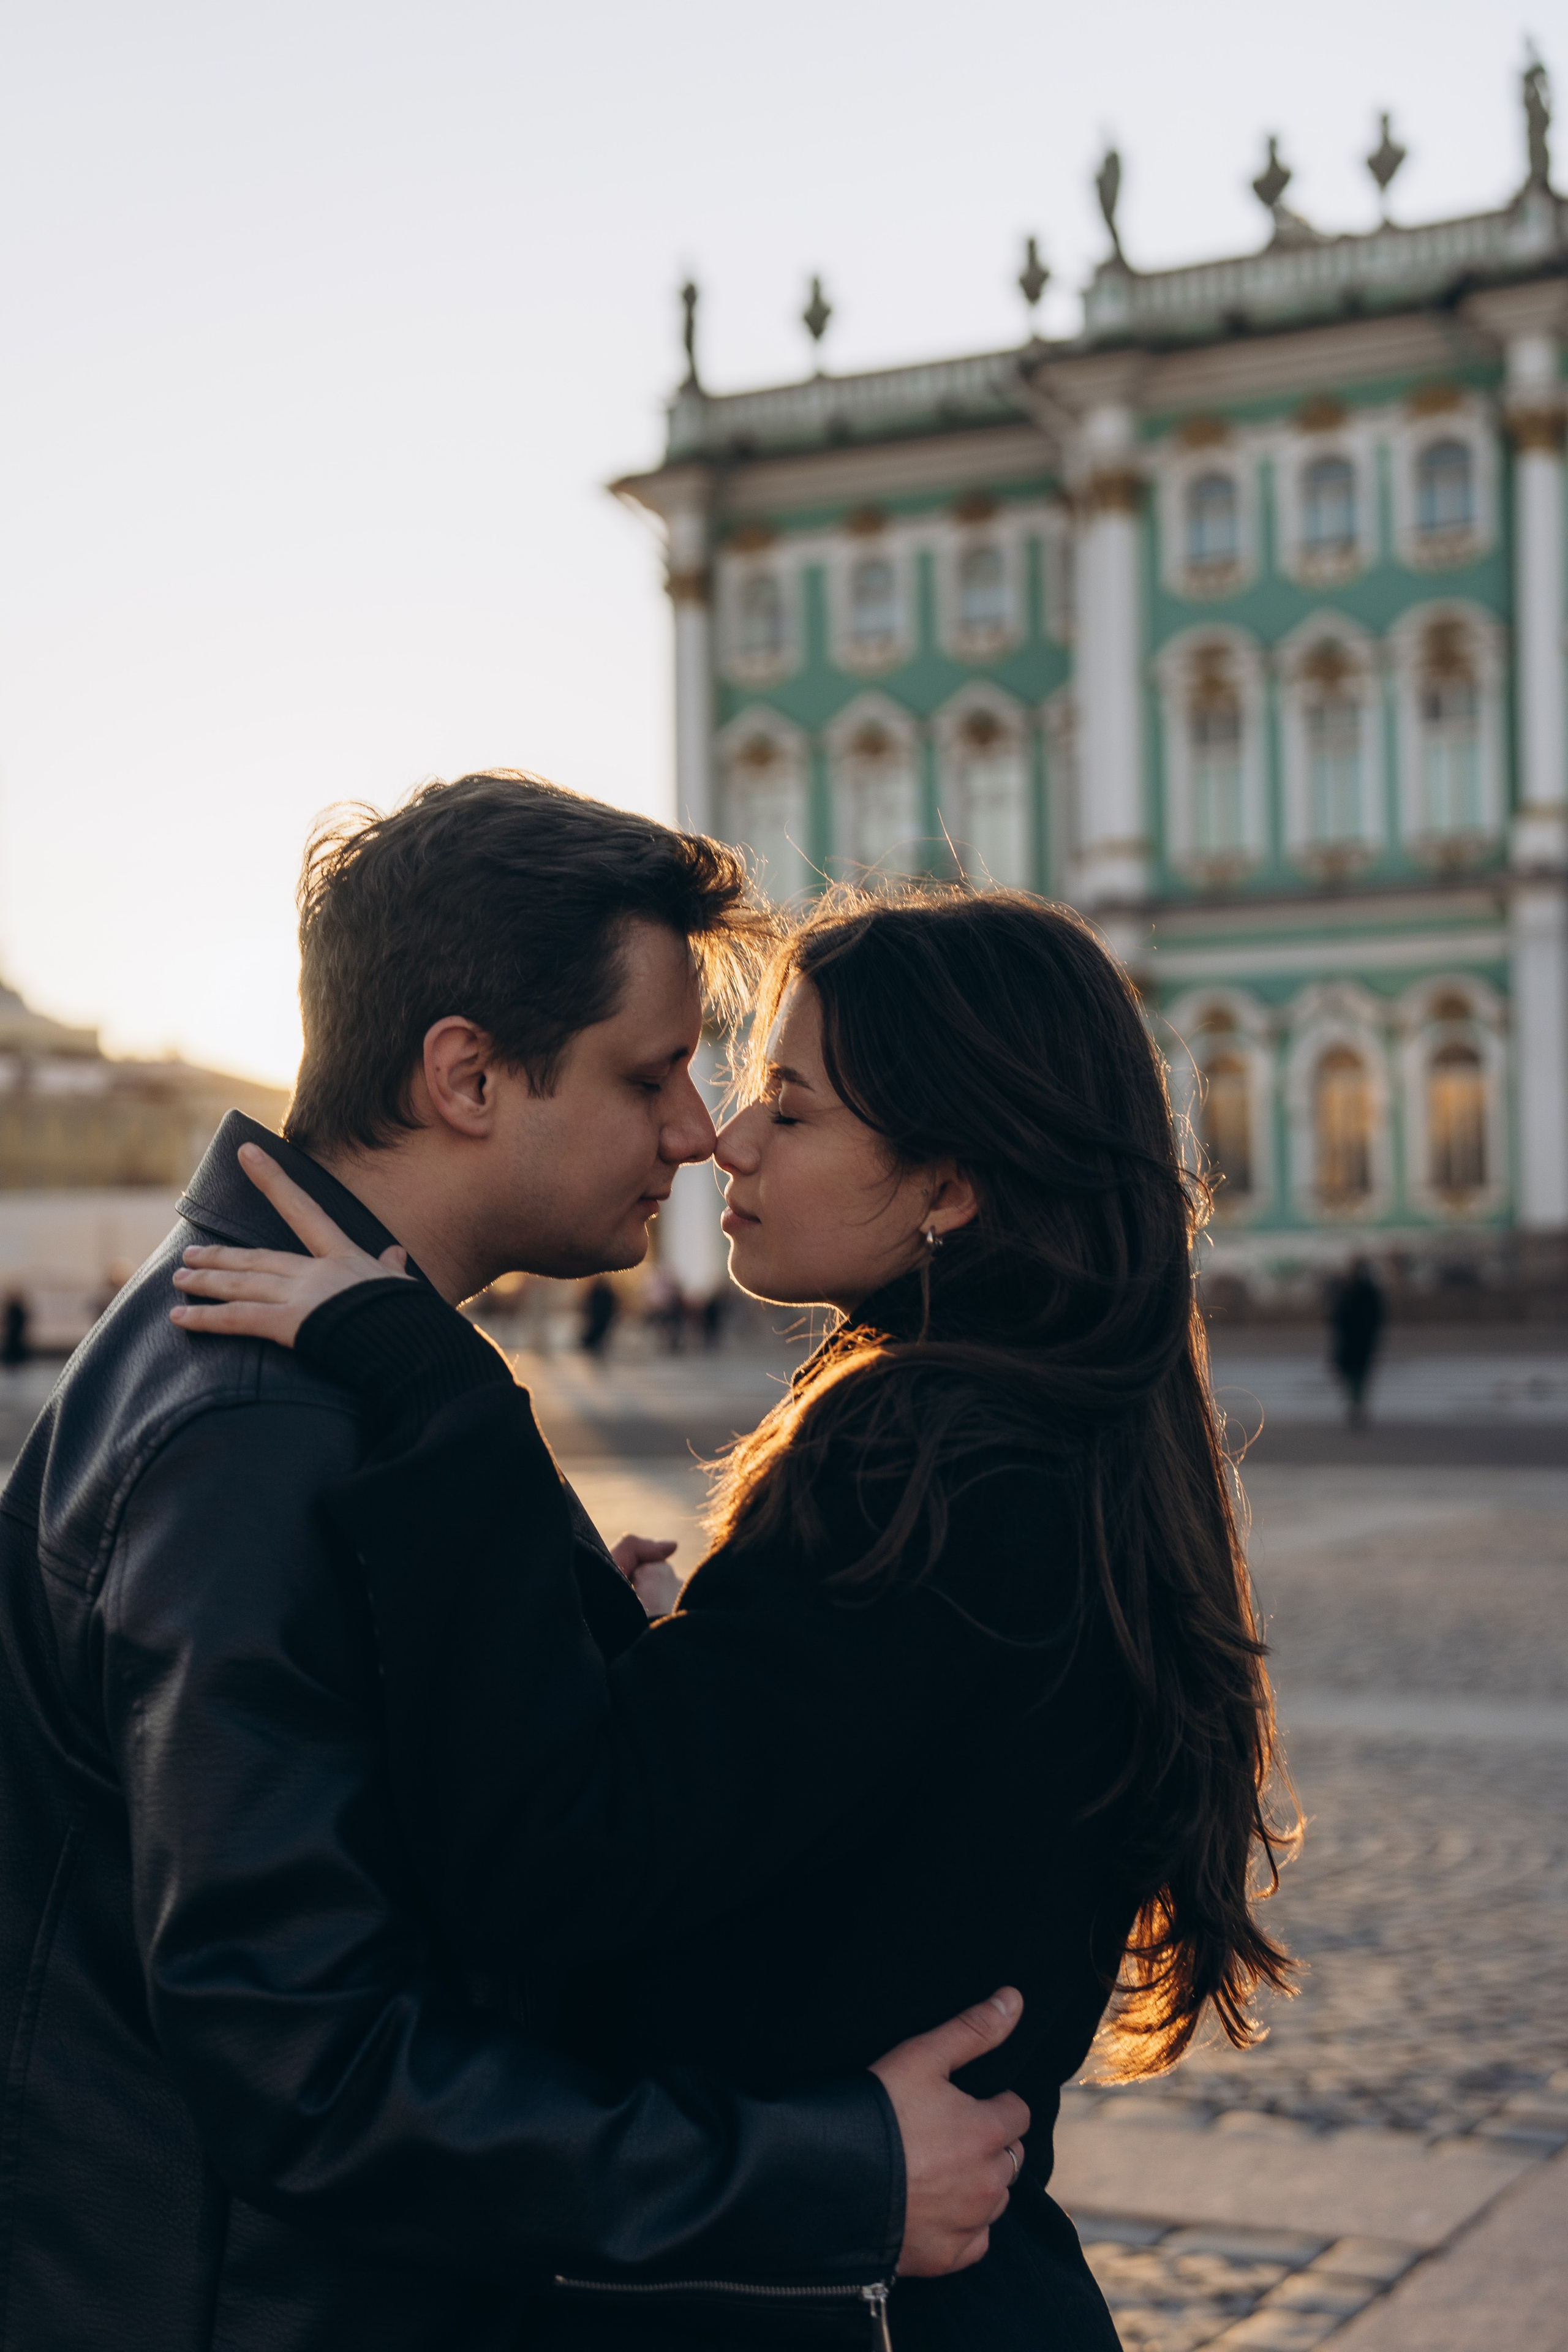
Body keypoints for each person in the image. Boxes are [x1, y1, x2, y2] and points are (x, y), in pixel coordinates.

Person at [175, 884, 1298, 2351]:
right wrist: (655, 1665)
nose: (724, 1138)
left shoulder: (934, 1463)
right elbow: (818, 1811)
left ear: (949, 1185)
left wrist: (443, 1399)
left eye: (791, 1103)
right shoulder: (1044, 1434)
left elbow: (560, 1862)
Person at [0, 778, 1025, 2352]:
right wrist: (821, 2170)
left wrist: (566, 1655)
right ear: (468, 1074)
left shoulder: (337, 1362)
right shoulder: (258, 1429)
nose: (698, 1130)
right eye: (650, 1073)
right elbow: (311, 2069)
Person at [1330, 1255, 1385, 1427]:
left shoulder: (1354, 1290)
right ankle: (1356, 1404)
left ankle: (1356, 1405)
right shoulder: (1361, 1290)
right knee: (1356, 1374)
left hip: (1356, 1339)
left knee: (1356, 1374)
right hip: (1357, 1339)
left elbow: (1339, 1315)